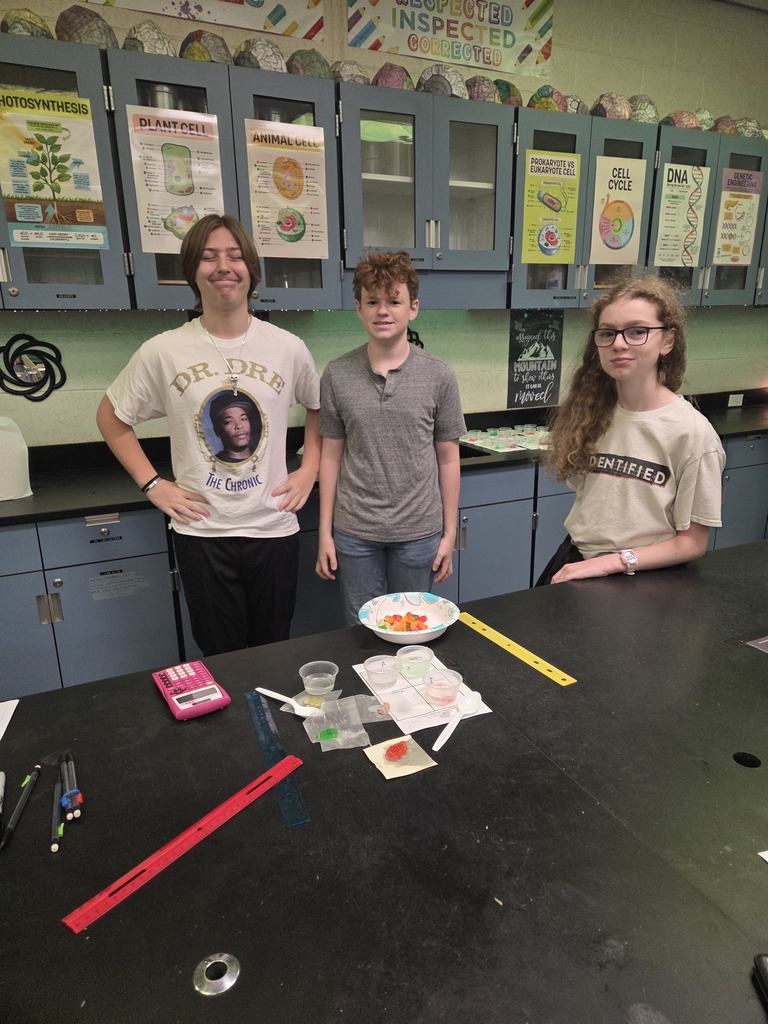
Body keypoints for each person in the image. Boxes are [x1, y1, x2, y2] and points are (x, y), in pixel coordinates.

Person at [96, 213, 321, 653]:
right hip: (202, 534)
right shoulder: (163, 351)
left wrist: (309, 468)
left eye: (235, 256)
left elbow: (319, 408)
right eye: (209, 257)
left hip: (273, 529)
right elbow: (111, 417)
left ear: (251, 271)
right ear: (192, 272)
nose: (224, 266)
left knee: (274, 649)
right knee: (220, 657)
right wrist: (153, 484)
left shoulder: (287, 347)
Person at [537, 276, 725, 585]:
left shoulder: (692, 434)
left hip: (641, 578)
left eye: (637, 331)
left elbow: (692, 543)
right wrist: (592, 564)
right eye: (608, 333)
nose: (619, 343)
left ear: (667, 341)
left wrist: (614, 562)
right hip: (579, 561)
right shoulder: (591, 414)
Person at [315, 250, 466, 624]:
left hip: (419, 533)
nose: (383, 311)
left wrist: (449, 535)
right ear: (358, 308)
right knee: (361, 629)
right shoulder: (337, 374)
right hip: (354, 532)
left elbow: (448, 458)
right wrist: (325, 534)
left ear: (412, 308)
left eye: (394, 301)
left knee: (413, 628)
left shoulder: (439, 375)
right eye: (373, 301)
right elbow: (330, 457)